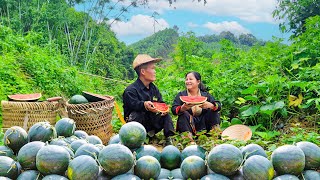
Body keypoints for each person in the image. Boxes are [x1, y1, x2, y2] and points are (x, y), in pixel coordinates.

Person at [123, 54, 175, 145]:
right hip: (135, 124)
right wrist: (144, 105)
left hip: (151, 122)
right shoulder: (130, 90)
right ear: (143, 71)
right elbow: (133, 105)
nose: (155, 71)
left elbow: (160, 102)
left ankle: (169, 138)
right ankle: (137, 139)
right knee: (137, 114)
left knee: (166, 116)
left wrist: (164, 109)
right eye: (152, 68)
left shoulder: (153, 88)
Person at [171, 71, 221, 140]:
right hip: (188, 124)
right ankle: (187, 139)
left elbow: (218, 105)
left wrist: (211, 105)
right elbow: (173, 109)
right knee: (183, 114)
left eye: (190, 79)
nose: (188, 81)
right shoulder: (181, 95)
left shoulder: (206, 95)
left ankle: (215, 135)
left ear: (198, 81)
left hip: (205, 124)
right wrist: (182, 108)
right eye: (186, 79)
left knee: (213, 111)